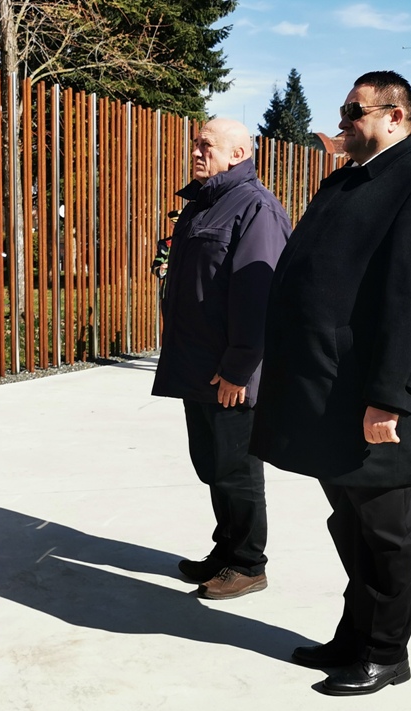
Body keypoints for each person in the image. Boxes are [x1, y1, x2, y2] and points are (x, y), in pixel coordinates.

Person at [250, 71, 411, 696]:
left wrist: (388, 399)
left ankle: (386, 651)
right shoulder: (346, 180)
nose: (342, 121)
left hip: (372, 393)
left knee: (384, 530)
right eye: (343, 109)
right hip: (327, 387)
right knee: (348, 522)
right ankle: (354, 635)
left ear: (396, 116)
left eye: (354, 110)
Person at [151, 118, 291, 600]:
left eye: (206, 145)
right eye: (195, 143)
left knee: (237, 469)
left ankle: (249, 563)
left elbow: (259, 297)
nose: (196, 151)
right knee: (212, 464)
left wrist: (238, 369)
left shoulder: (256, 207)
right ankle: (226, 550)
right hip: (196, 365)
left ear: (237, 153)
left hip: (228, 372)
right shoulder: (202, 204)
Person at [152, 208, 181, 307]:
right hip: (169, 292)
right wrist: (161, 270)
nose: (177, 228)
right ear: (171, 225)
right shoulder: (164, 244)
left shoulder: (192, 243)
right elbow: (155, 266)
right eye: (174, 225)